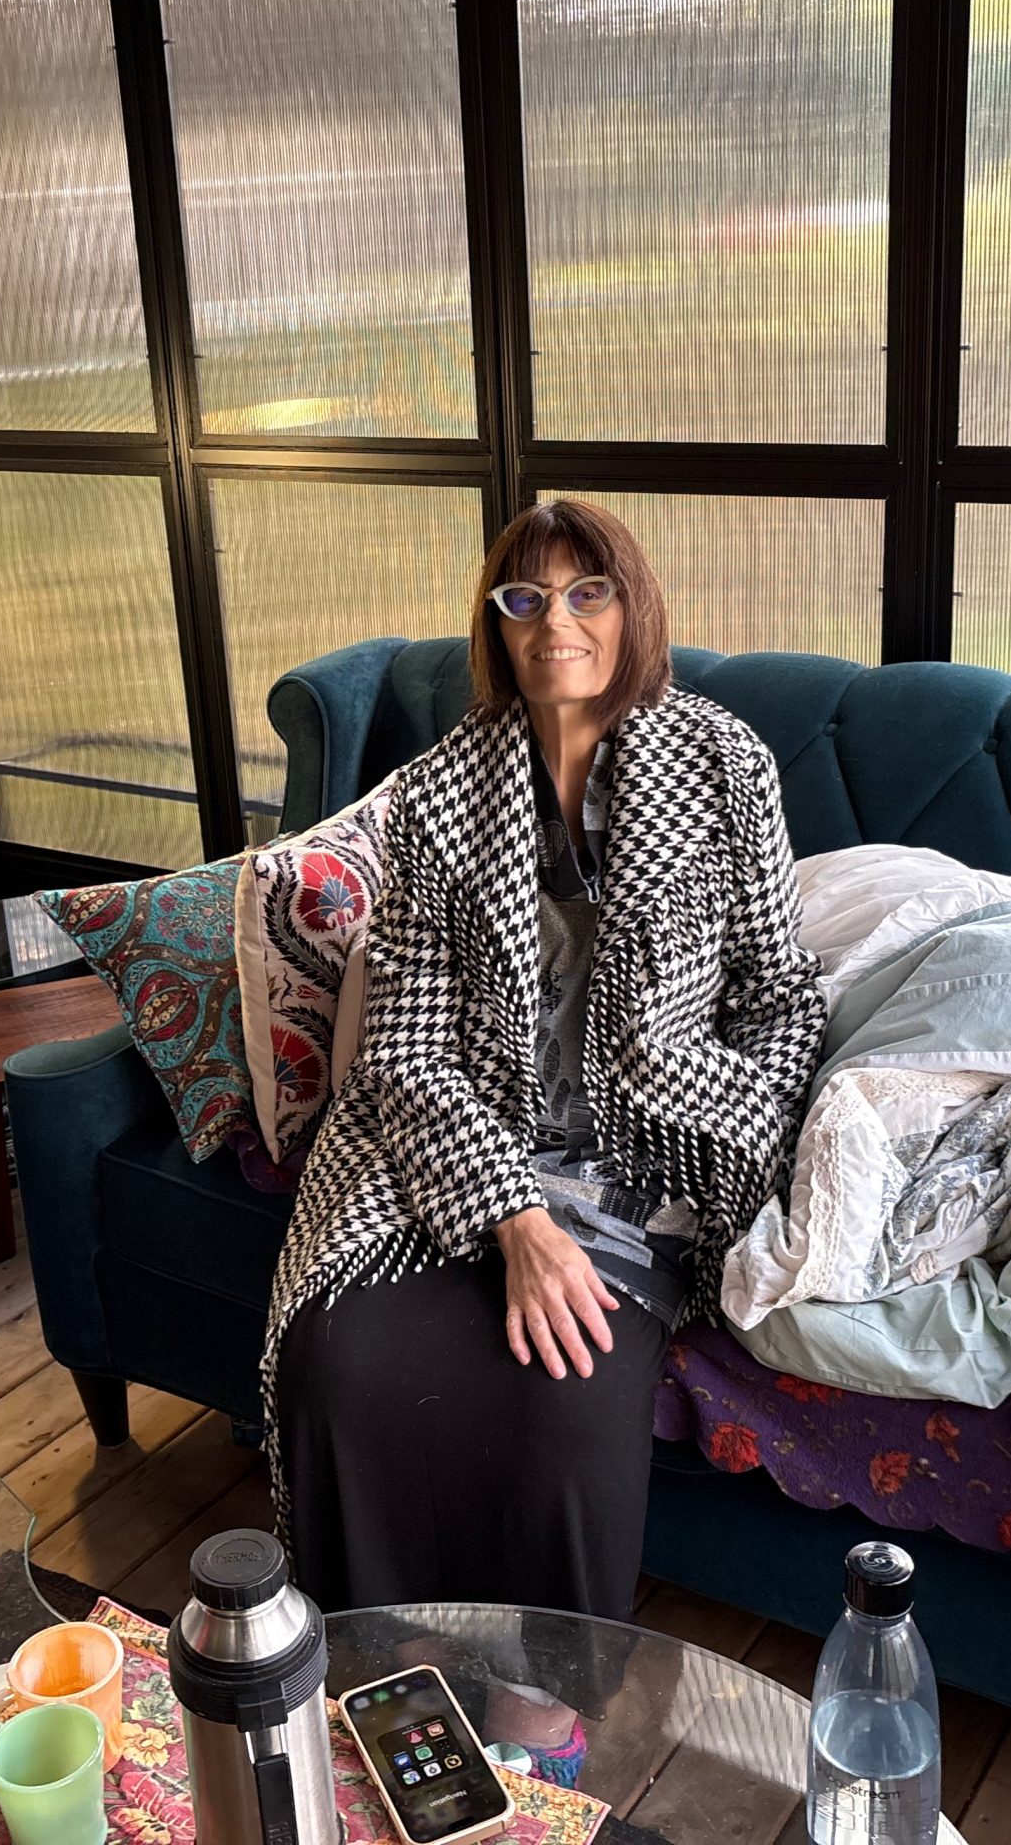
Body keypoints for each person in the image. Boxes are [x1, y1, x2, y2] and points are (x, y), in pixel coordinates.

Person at [269, 498, 827, 1620]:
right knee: (340, 1363)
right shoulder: (436, 794)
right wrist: (513, 1218)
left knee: (565, 1399)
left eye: (587, 593)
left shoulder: (724, 765)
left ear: (632, 610)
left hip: (646, 1160)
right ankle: (379, 1668)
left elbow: (780, 995)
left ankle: (545, 1701)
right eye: (524, 598)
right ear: (496, 622)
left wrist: (743, 1120)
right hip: (456, 1146)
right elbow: (404, 1046)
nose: (554, 622)